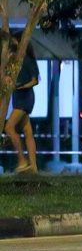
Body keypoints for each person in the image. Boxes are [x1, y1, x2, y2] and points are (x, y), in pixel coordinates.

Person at [4, 33, 39, 174]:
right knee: (27, 131)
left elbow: (35, 80)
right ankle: (34, 167)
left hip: (25, 98)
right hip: (18, 98)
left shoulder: (28, 60)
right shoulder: (14, 61)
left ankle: (22, 160)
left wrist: (20, 86)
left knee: (9, 127)